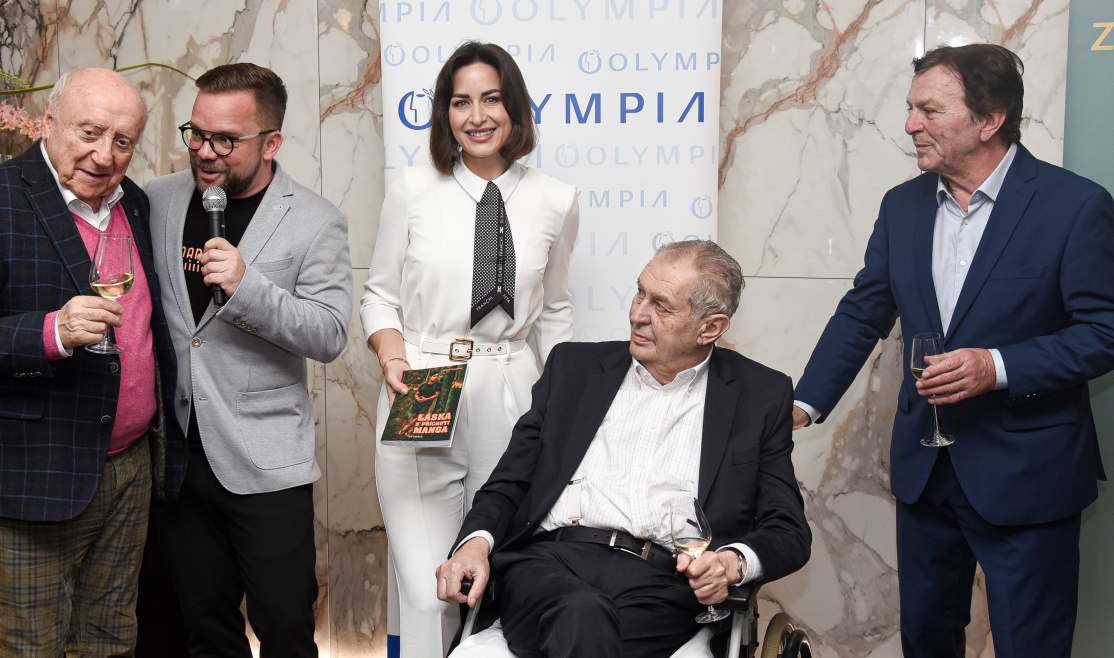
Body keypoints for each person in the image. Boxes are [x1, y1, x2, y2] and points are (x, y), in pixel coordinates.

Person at [792, 44, 1114, 658]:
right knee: (926, 642)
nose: (910, 124)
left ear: (990, 120)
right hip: (926, 473)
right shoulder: (902, 206)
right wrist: (803, 404)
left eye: (930, 110)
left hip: (1029, 476)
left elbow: (1103, 331)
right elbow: (863, 312)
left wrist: (996, 366)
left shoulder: (1075, 206)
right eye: (911, 108)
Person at [436, 240, 811, 658]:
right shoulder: (574, 369)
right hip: (550, 565)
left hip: (665, 584)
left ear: (710, 328)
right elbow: (510, 481)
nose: (637, 314)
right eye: (639, 293)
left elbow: (788, 529)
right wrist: (475, 542)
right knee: (580, 612)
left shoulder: (760, 396)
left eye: (661, 306)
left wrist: (733, 562)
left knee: (587, 622)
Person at [0, 67, 184, 656]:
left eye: (122, 141)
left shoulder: (136, 205)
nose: (104, 155)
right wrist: (51, 332)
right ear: (48, 123)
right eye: (89, 132)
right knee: (29, 646)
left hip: (128, 469)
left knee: (112, 640)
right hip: (32, 472)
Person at [361, 41, 580, 656]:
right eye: (461, 102)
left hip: (511, 388)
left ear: (515, 108)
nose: (477, 116)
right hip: (422, 381)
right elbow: (378, 296)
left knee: (492, 578)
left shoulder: (556, 199)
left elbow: (555, 309)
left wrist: (561, 402)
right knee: (427, 590)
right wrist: (394, 358)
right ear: (444, 112)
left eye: (492, 99)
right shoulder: (412, 188)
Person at [143, 63, 352, 657]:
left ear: (271, 142)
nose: (205, 152)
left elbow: (330, 333)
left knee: (285, 627)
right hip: (177, 460)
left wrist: (247, 287)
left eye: (226, 140)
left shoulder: (315, 220)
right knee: (206, 629)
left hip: (265, 461)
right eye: (196, 133)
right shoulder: (157, 199)